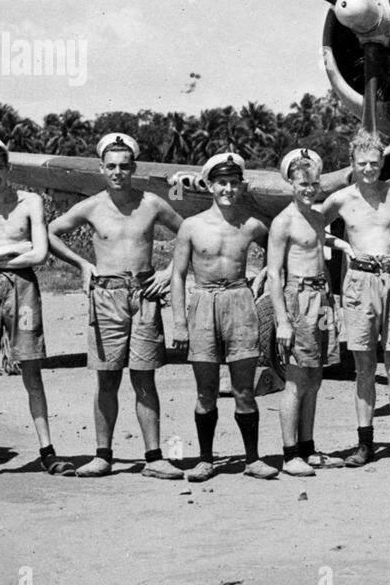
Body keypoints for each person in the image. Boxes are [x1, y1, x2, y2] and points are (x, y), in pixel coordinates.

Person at [48, 133, 184, 479]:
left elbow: (189, 233)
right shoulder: (91, 206)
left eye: (125, 166)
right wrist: (82, 265)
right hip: (106, 295)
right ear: (101, 168)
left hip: (144, 296)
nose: (118, 172)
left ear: (134, 168)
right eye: (111, 166)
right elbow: (50, 232)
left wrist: (169, 273)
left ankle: (154, 458)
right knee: (106, 381)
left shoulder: (151, 203)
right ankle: (102, 456)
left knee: (144, 380)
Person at [0, 139, 74, 478]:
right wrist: (10, 249)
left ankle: (47, 452)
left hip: (23, 289)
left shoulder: (29, 202)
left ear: (8, 167)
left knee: (31, 369)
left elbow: (39, 254)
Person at [170, 151, 274, 481]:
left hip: (240, 302)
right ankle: (205, 459)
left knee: (244, 389)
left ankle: (253, 459)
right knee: (206, 391)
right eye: (221, 183)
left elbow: (281, 247)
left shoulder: (252, 225)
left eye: (233, 183)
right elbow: (177, 275)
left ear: (241, 186)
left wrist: (269, 274)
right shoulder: (192, 226)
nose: (228, 189)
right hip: (202, 303)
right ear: (209, 186)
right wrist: (179, 322)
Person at [318, 130, 390, 465]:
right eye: (363, 164)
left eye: (375, 163)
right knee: (363, 366)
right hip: (359, 281)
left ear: (383, 162)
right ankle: (365, 443)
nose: (369, 169)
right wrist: (341, 245)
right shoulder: (341, 199)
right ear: (352, 164)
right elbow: (312, 227)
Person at [267, 148, 343, 477]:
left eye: (313, 183)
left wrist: (331, 305)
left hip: (321, 298)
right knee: (297, 380)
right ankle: (289, 454)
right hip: (297, 298)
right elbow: (274, 274)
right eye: (302, 184)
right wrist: (283, 320)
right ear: (290, 184)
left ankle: (308, 448)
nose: (308, 189)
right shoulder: (283, 222)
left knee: (315, 377)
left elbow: (323, 258)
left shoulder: (317, 216)